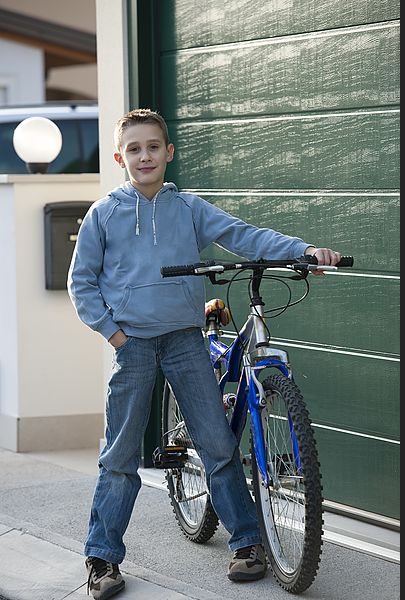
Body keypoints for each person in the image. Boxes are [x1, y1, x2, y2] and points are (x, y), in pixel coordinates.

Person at [68, 108, 341, 599]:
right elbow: (81, 282)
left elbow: (244, 235)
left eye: (154, 146)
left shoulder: (190, 208)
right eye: (134, 149)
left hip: (185, 340)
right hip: (131, 344)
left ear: (169, 153)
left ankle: (246, 544)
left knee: (217, 444)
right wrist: (114, 334)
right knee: (121, 456)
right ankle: (102, 559)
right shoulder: (104, 213)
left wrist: (304, 250)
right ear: (119, 157)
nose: (145, 155)